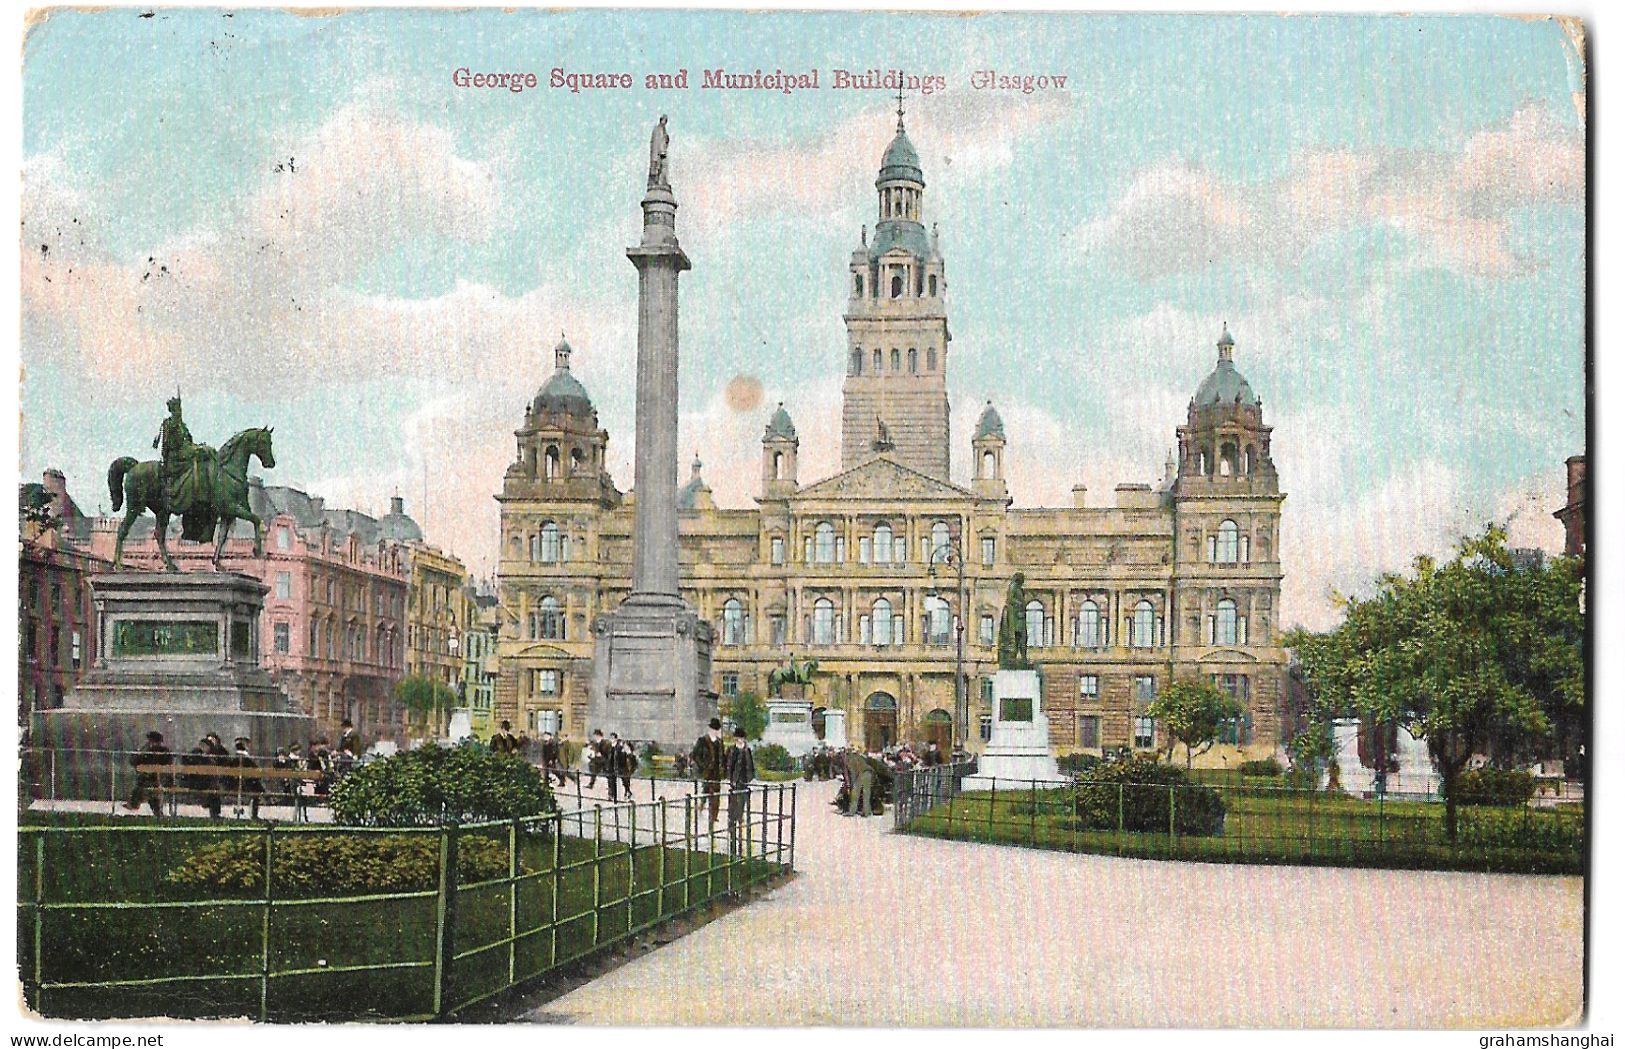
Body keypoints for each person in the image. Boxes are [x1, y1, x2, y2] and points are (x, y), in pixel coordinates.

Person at [690, 718, 727, 830]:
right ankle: (699, 811)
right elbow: (695, 755)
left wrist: (723, 769)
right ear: (709, 729)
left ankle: (713, 816)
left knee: (716, 796)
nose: (715, 731)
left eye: (716, 729)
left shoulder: (720, 742)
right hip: (707, 772)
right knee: (705, 793)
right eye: (713, 729)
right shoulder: (702, 741)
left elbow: (723, 758)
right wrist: (702, 766)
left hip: (717, 773)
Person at [124, 730, 171, 816]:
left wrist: (141, 752)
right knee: (149, 788)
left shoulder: (149, 751)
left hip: (154, 781)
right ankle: (156, 811)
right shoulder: (165, 751)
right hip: (158, 780)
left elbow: (134, 761)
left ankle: (134, 804)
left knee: (144, 786)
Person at [725, 727, 756, 851]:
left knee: (741, 808)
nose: (740, 740)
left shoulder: (747, 750)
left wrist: (748, 778)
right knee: (732, 807)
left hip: (743, 783)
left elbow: (750, 766)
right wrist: (730, 778)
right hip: (733, 783)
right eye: (738, 738)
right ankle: (732, 828)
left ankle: (739, 828)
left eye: (742, 738)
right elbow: (728, 765)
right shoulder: (732, 750)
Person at [229, 737, 263, 819]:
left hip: (240, 782)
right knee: (257, 790)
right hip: (243, 784)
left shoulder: (236, 758)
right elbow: (256, 769)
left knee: (257, 787)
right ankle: (254, 814)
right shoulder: (244, 758)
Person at [844, 746, 874, 818]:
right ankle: (867, 812)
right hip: (868, 773)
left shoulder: (850, 759)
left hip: (862, 774)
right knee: (866, 794)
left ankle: (852, 811)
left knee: (855, 794)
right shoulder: (858, 757)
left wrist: (852, 784)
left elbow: (853, 773)